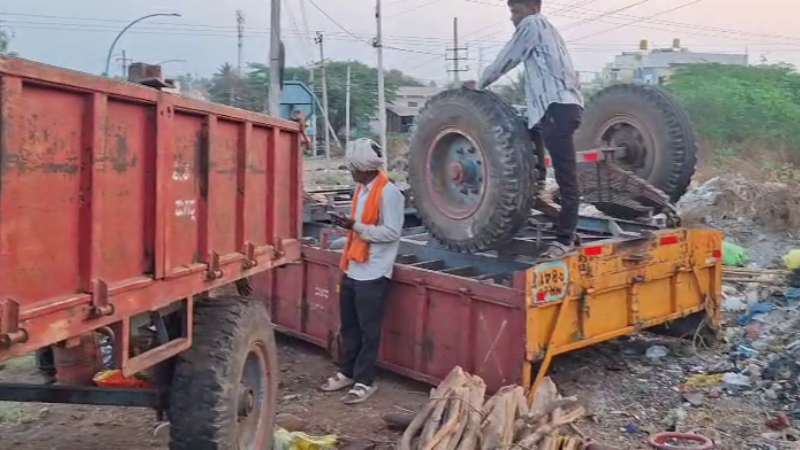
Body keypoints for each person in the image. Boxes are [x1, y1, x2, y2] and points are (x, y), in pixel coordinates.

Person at [464, 0, 584, 258]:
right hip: (555, 108)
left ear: (531, 8)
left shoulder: (533, 24)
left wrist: (482, 83)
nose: (512, 18)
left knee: (567, 178)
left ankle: (564, 240)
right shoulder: (548, 29)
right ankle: (537, 182)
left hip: (557, 108)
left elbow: (509, 56)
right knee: (526, 127)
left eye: (515, 11)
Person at [320, 138, 405, 404]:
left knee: (370, 330)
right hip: (353, 266)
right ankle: (347, 371)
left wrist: (355, 226)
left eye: (353, 168)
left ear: (365, 168)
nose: (351, 173)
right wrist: (348, 224)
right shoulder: (362, 190)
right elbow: (360, 226)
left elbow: (392, 233)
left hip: (374, 271)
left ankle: (364, 380)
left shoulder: (389, 193)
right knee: (350, 326)